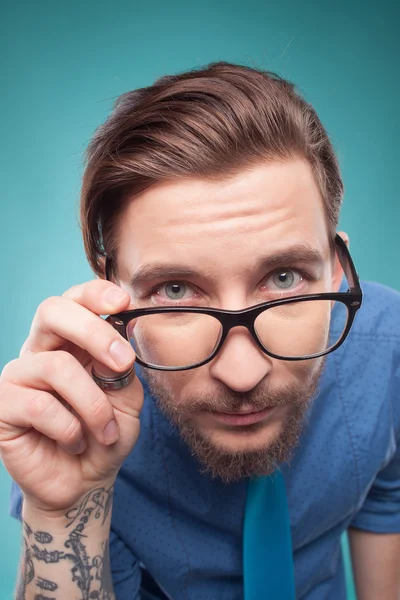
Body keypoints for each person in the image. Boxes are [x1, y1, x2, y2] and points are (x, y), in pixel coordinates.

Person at [2, 61, 399, 600]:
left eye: (284, 278)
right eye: (175, 290)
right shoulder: (83, 427)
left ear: (336, 268)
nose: (242, 373)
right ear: (114, 295)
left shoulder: (387, 354)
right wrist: (62, 512)